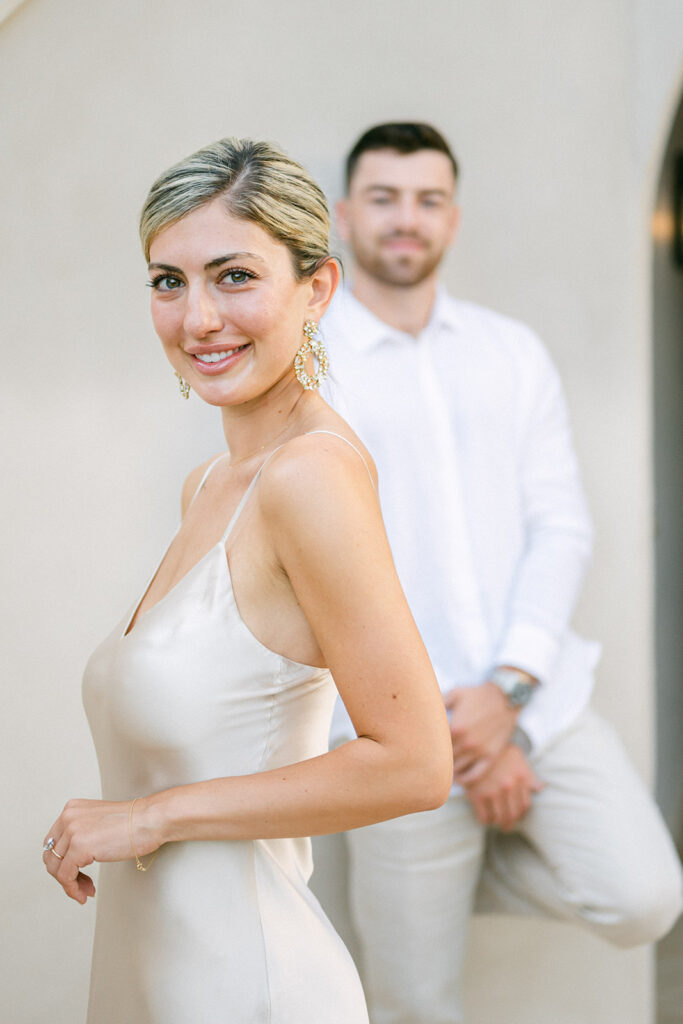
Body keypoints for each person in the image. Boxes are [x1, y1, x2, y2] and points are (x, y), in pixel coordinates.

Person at [40, 136, 454, 1024]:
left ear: (317, 289)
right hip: (153, 981)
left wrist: (149, 817)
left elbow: (416, 763)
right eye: (168, 281)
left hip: (249, 988)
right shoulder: (211, 485)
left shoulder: (311, 476)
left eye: (234, 276)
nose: (196, 319)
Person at [314, 122, 683, 1024]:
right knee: (413, 1001)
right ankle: (413, 891)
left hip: (534, 700)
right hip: (392, 728)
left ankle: (434, 879)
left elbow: (560, 526)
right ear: (344, 214)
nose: (407, 219)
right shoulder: (307, 366)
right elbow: (318, 572)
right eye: (386, 197)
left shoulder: (509, 351)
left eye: (428, 200)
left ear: (453, 217)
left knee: (643, 895)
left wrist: (505, 698)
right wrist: (449, 728)